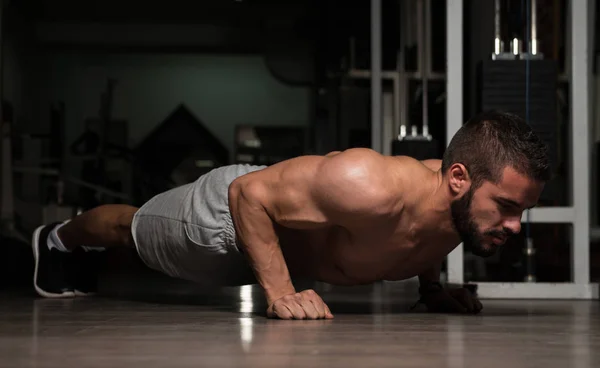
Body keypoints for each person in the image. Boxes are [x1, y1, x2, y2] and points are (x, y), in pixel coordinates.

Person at [32, 110, 550, 319]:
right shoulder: (369, 184)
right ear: (458, 178)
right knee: (132, 230)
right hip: (230, 220)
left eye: (522, 211)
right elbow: (248, 194)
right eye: (506, 207)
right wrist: (278, 294)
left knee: (137, 244)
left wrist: (432, 290)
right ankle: (56, 239)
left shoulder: (463, 209)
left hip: (283, 254)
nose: (514, 225)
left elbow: (424, 234)